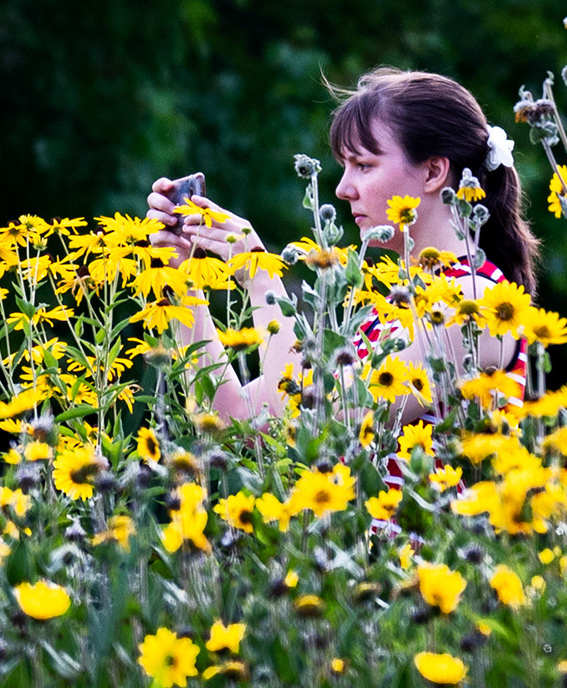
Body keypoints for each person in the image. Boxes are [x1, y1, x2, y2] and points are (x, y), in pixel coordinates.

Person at [144, 68, 540, 428]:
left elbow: (323, 420)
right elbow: (230, 418)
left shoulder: (475, 302)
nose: (342, 188)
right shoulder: (388, 310)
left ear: (434, 171)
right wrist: (183, 280)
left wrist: (259, 273)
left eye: (363, 165)